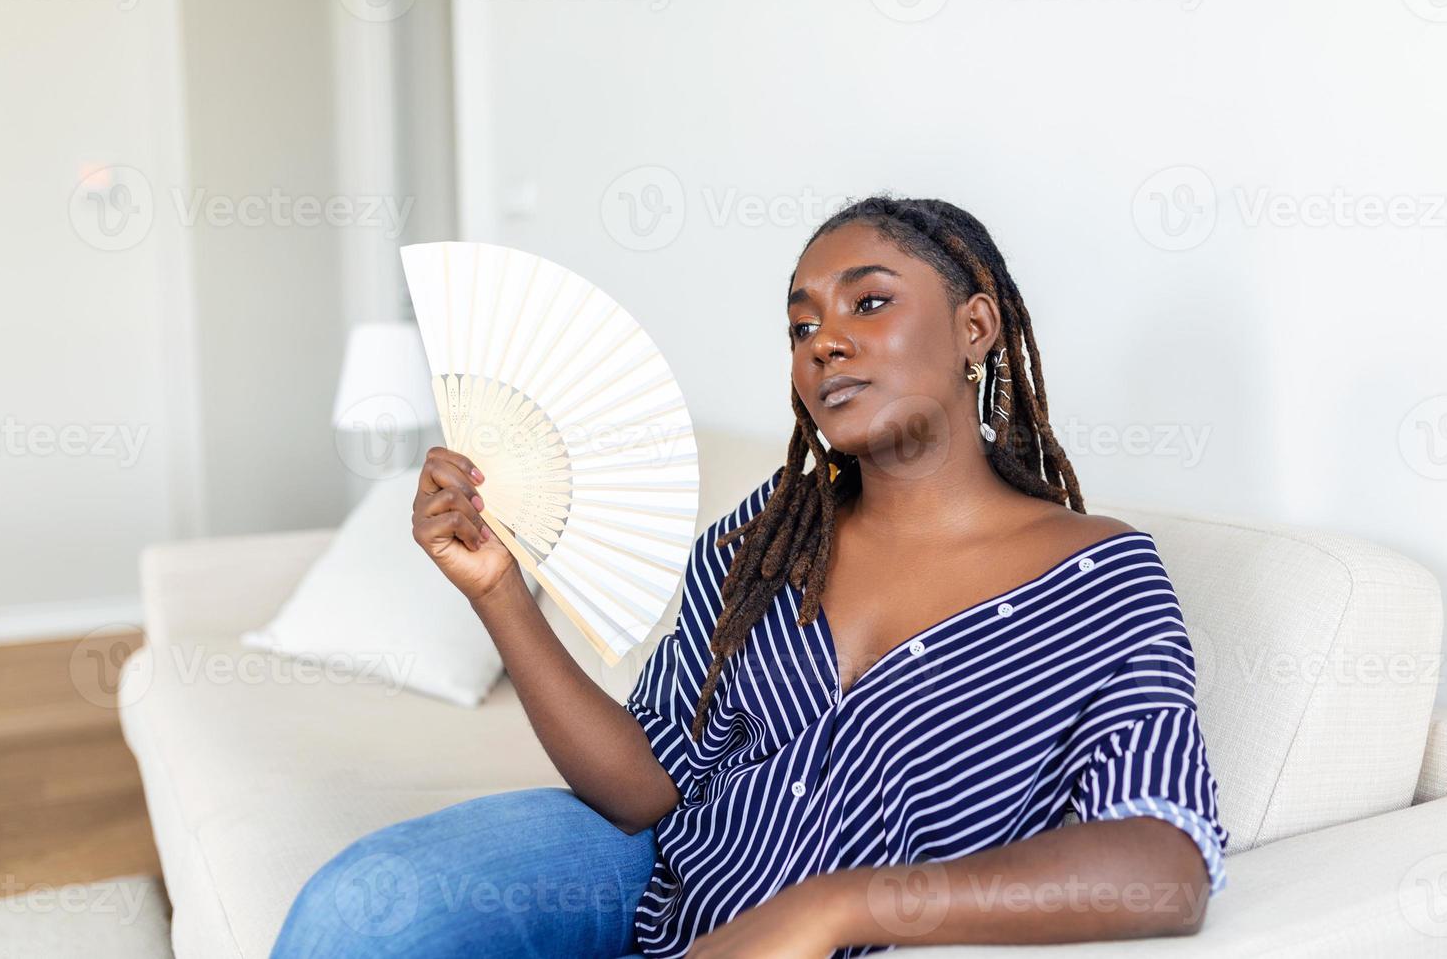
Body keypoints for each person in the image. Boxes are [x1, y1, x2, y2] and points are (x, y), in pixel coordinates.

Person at [271, 195, 1228, 958]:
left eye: (870, 301)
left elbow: (1163, 863)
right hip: (646, 895)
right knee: (366, 911)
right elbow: (647, 789)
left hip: (841, 940)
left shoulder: (1099, 576)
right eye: (800, 324)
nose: (824, 341)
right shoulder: (767, 536)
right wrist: (497, 591)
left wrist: (833, 909)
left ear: (976, 326)